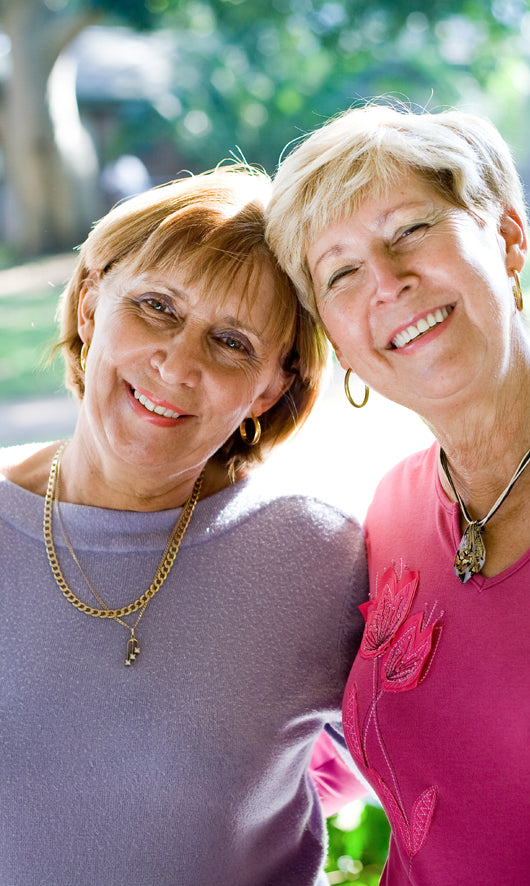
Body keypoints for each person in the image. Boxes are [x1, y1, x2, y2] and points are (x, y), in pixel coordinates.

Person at [0, 165, 369, 886]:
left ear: (272, 385)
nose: (177, 362)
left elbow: (437, 777)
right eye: (156, 307)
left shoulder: (321, 555)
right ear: (88, 304)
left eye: (232, 342)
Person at [266, 104, 530, 885]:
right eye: (339, 272)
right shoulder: (393, 510)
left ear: (508, 238)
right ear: (335, 340)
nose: (386, 283)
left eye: (409, 229)